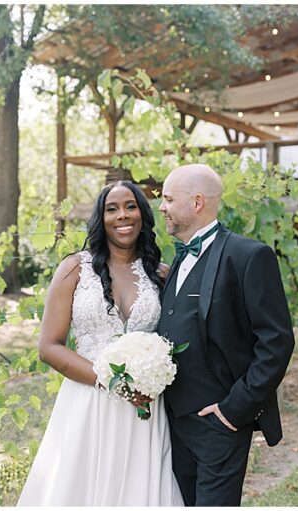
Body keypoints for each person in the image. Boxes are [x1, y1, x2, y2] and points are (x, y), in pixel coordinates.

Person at [18, 181, 184, 506]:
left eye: (131, 206)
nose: (123, 215)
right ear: (101, 217)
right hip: (86, 402)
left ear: (142, 214)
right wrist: (113, 382)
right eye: (112, 208)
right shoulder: (74, 269)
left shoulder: (162, 274)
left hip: (144, 409)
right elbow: (49, 347)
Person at [157, 163, 295, 506]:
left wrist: (235, 409)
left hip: (218, 420)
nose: (162, 207)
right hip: (169, 422)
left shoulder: (248, 255)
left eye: (168, 199)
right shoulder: (176, 260)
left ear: (197, 202)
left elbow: (277, 341)